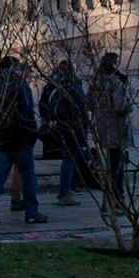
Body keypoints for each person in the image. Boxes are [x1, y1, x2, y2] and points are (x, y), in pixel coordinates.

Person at [0, 57, 45, 224]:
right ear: (19, 71)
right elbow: (27, 113)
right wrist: (33, 134)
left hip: (2, 136)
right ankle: (31, 212)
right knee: (29, 176)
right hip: (20, 137)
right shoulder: (21, 87)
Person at [41, 58, 88, 205]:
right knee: (71, 157)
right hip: (72, 125)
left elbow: (44, 103)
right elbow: (80, 105)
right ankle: (66, 191)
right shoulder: (72, 84)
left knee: (70, 157)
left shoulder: (52, 83)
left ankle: (69, 188)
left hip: (58, 125)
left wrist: (49, 120)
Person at [89, 51, 130, 207]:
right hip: (116, 127)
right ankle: (116, 196)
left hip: (102, 126)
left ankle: (113, 196)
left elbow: (90, 102)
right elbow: (119, 106)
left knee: (111, 163)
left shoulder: (97, 82)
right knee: (116, 164)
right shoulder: (115, 83)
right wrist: (128, 106)